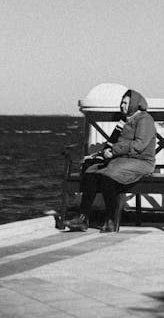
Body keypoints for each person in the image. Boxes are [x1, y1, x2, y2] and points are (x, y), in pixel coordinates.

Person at [65, 88, 156, 233]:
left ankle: (110, 219)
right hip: (123, 160)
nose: (122, 106)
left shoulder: (144, 119)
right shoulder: (125, 120)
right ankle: (82, 218)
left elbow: (139, 145)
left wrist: (114, 150)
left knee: (108, 174)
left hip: (142, 162)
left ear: (134, 104)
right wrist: (102, 153)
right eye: (121, 103)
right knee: (92, 172)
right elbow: (112, 142)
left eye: (126, 103)